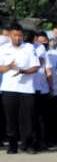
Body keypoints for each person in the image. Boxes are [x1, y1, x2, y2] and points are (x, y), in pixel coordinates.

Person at [1, 23, 41, 154]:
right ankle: (12, 145)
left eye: (19, 35)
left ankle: (28, 144)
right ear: (10, 36)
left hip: (27, 89)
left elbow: (36, 66)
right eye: (14, 35)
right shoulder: (3, 48)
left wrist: (23, 71)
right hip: (9, 88)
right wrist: (9, 67)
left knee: (27, 118)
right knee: (10, 117)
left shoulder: (29, 48)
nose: (17, 38)